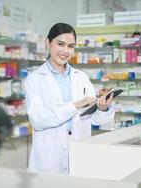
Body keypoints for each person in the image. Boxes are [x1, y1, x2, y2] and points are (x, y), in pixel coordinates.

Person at [25, 23, 115, 174]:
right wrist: (75, 105)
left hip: (79, 155)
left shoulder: (81, 77)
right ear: (47, 43)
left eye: (71, 46)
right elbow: (37, 120)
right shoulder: (34, 80)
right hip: (49, 159)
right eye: (60, 44)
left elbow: (95, 120)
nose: (65, 51)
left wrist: (102, 108)